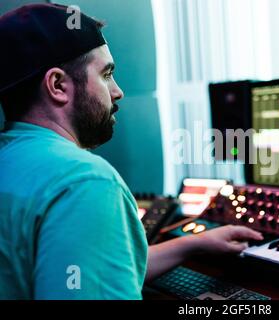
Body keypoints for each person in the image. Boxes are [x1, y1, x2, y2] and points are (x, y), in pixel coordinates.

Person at [0, 3, 262, 300]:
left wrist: (193, 243)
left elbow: (88, 274)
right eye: (106, 74)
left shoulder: (10, 161)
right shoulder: (85, 182)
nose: (118, 91)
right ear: (58, 85)